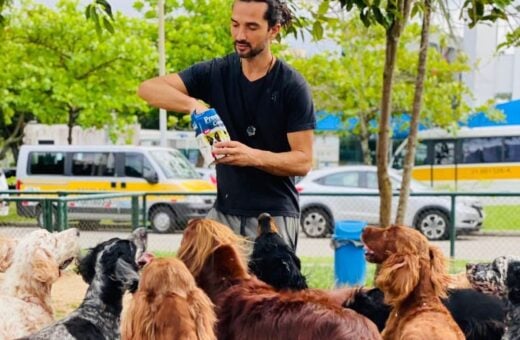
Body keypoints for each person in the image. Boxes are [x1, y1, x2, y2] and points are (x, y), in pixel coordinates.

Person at [137, 0, 315, 250]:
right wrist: (194, 105)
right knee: (193, 284)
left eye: (252, 27)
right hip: (222, 215)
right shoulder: (216, 72)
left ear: (274, 29)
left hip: (274, 218)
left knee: (269, 291)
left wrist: (252, 156)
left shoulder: (292, 86)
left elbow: (303, 161)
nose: (240, 35)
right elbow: (148, 89)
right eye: (235, 24)